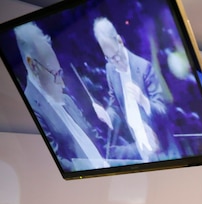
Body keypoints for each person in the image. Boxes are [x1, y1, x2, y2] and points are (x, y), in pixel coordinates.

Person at [13, 22, 109, 171]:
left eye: (60, 72)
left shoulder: (66, 97)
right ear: (32, 65)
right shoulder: (29, 109)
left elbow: (96, 140)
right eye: (55, 74)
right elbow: (56, 165)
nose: (62, 84)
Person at [92, 17, 169, 162]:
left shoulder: (144, 67)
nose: (115, 62)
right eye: (109, 58)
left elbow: (163, 110)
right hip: (136, 144)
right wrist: (107, 115)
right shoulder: (110, 69)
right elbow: (115, 104)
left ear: (120, 41)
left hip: (158, 145)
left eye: (116, 56)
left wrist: (144, 100)